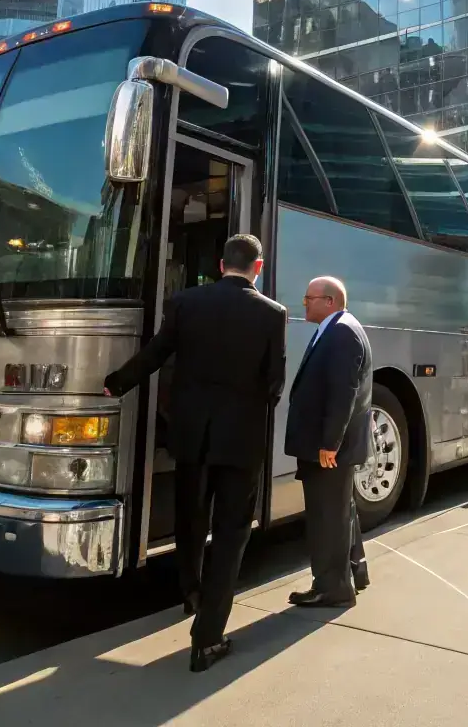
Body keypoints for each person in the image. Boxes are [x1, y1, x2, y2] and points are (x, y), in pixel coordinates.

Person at [103, 234, 287, 673]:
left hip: (191, 435)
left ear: (222, 264)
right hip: (240, 442)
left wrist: (116, 382)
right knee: (230, 534)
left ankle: (191, 594)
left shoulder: (184, 303)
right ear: (256, 268)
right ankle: (207, 638)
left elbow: (155, 354)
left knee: (191, 520)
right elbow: (274, 383)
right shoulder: (271, 313)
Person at [284, 276, 372, 608]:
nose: (305, 302)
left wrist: (330, 443)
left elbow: (342, 394)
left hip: (330, 448)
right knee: (339, 511)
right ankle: (353, 573)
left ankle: (331, 587)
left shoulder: (342, 332)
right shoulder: (340, 328)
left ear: (330, 301)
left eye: (310, 297)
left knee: (327, 517)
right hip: (330, 445)